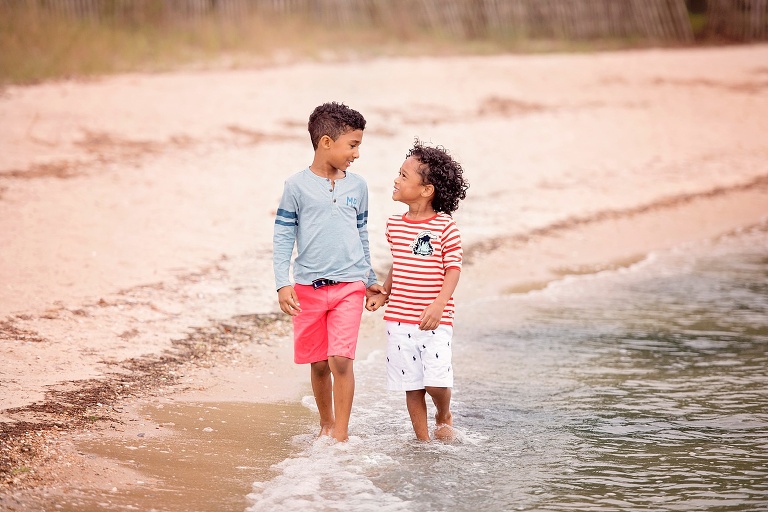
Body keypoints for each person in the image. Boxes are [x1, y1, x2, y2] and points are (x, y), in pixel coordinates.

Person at [273, 101, 385, 442]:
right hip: (308, 287)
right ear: (325, 143)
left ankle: (340, 432)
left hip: (349, 285)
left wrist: (369, 279)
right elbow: (282, 237)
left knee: (340, 359)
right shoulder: (296, 187)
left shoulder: (358, 187)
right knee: (319, 363)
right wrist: (282, 283)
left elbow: (361, 234)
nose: (357, 154)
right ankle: (325, 421)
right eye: (352, 145)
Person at [366, 139, 469, 441]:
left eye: (403, 176)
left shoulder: (445, 227)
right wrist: (384, 293)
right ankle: (423, 442)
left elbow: (453, 269)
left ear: (426, 190)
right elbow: (400, 264)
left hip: (434, 318)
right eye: (398, 173)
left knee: (435, 382)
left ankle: (444, 412)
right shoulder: (394, 225)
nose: (395, 180)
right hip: (399, 317)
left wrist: (439, 305)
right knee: (411, 384)